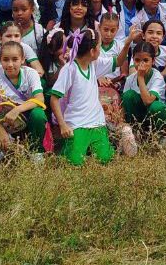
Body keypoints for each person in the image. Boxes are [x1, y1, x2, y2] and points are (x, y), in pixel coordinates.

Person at [49, 28, 117, 166]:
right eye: (99, 46)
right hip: (76, 123)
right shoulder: (69, 69)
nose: (100, 49)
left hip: (97, 122)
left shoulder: (93, 64)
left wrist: (127, 43)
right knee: (74, 162)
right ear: (92, 51)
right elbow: (54, 99)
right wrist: (62, 125)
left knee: (104, 159)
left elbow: (118, 62)